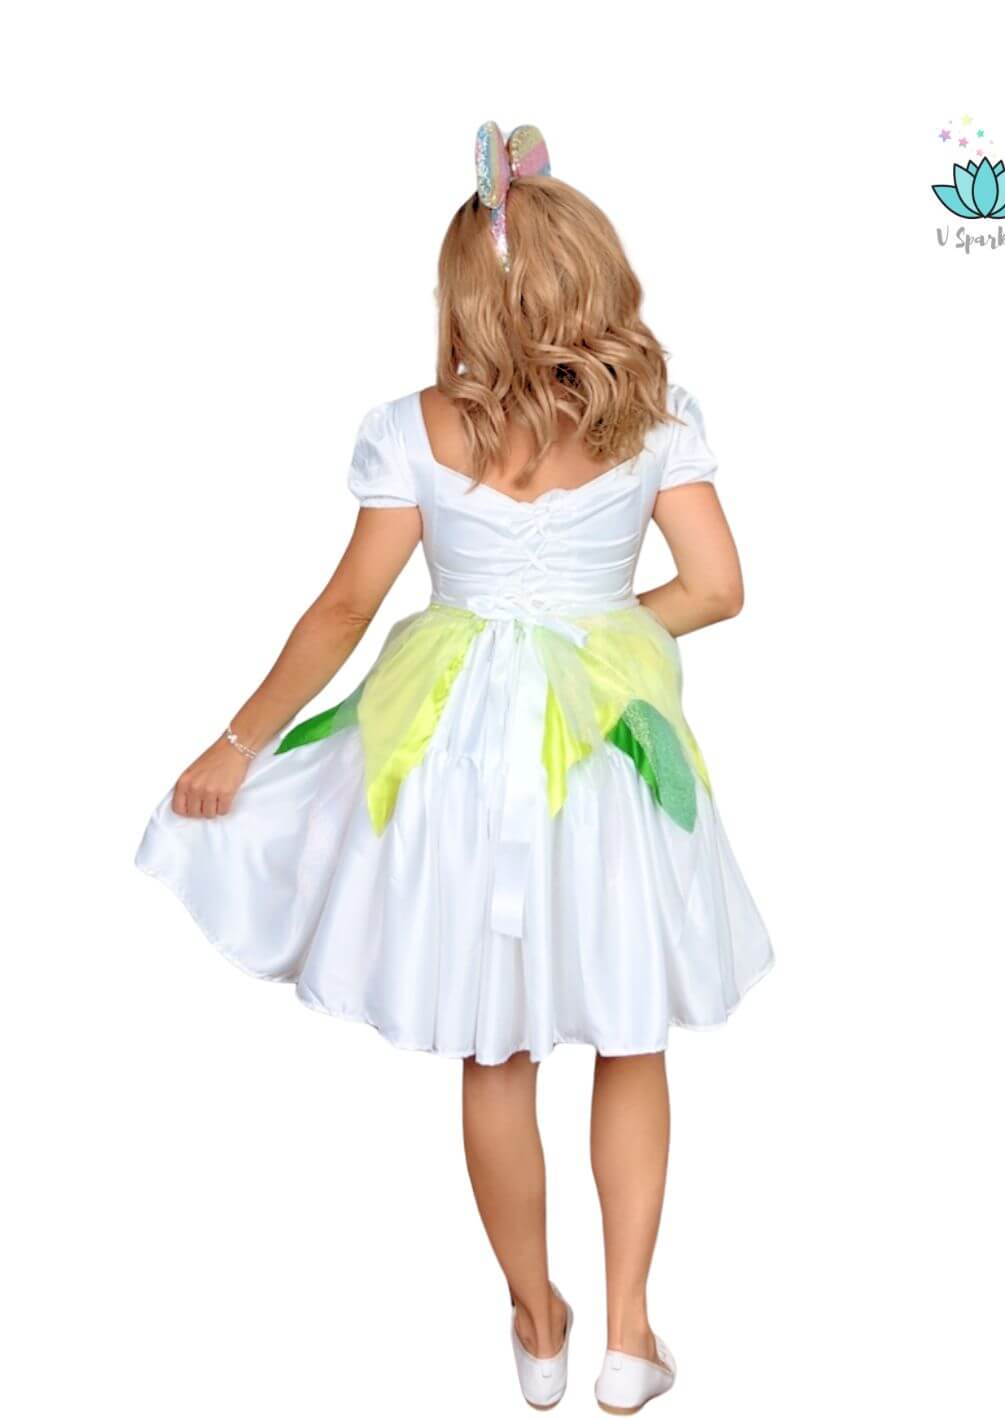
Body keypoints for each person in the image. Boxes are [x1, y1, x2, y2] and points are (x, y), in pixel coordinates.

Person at [134, 120, 773, 1413]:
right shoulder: (656, 422)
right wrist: (601, 637)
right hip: (602, 752)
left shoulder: (412, 430)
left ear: (464, 292)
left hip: (457, 753)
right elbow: (716, 588)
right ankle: (629, 1334)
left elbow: (344, 611)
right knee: (630, 1030)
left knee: (496, 1046)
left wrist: (237, 742)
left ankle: (536, 1320)